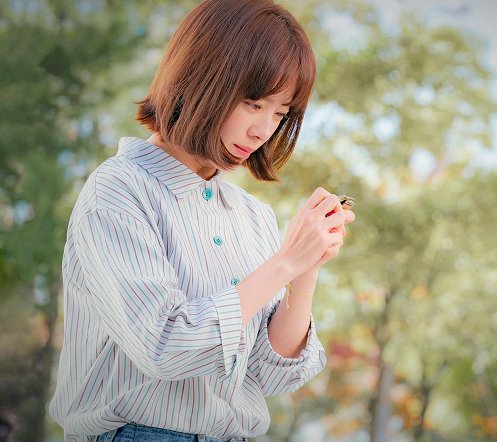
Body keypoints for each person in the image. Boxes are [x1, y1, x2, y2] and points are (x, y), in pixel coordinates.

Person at [49, 1, 355, 440]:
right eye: (254, 104)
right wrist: (283, 263)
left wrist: (304, 270)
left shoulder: (252, 216)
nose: (263, 130)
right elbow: (165, 346)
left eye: (280, 113)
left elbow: (271, 376)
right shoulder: (118, 190)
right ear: (201, 79)